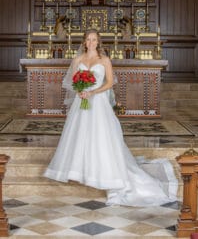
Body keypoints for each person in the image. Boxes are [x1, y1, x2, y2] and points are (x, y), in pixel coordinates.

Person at [44, 29, 178, 207]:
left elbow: (109, 82)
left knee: (101, 137)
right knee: (80, 135)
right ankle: (81, 171)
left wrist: (92, 91)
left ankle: (108, 176)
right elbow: (71, 81)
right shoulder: (77, 60)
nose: (91, 42)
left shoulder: (104, 60)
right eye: (88, 39)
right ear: (84, 42)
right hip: (82, 101)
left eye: (94, 40)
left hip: (98, 102)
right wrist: (81, 91)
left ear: (98, 42)